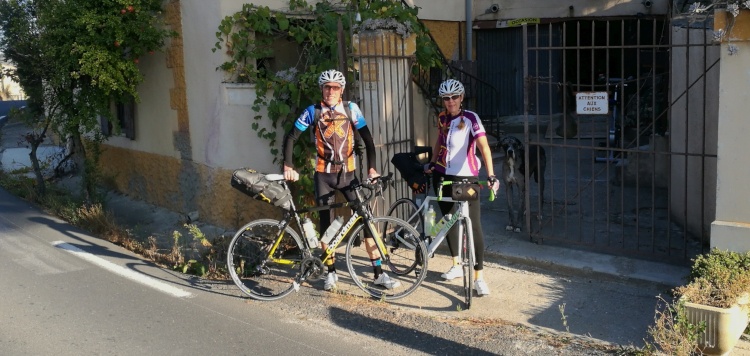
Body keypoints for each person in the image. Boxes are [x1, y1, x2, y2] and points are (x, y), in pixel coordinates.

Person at [282, 69, 400, 291]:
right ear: (322, 89)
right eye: (327, 87)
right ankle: (331, 272)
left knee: (366, 222)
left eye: (335, 87)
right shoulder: (312, 111)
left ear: (342, 90)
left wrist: (372, 169)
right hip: (323, 176)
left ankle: (378, 274)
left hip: (348, 176)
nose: (331, 91)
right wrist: (288, 165)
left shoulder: (351, 109)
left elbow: (368, 140)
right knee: (327, 226)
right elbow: (291, 137)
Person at [424, 78, 499, 296]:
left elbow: (484, 148)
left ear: (461, 97)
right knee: (448, 221)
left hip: (467, 177)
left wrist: (491, 174)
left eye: (454, 97)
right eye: (446, 98)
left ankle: (479, 277)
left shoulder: (471, 118)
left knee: (473, 225)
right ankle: (456, 265)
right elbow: (440, 140)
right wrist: (432, 160)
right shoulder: (442, 118)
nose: (450, 102)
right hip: (443, 175)